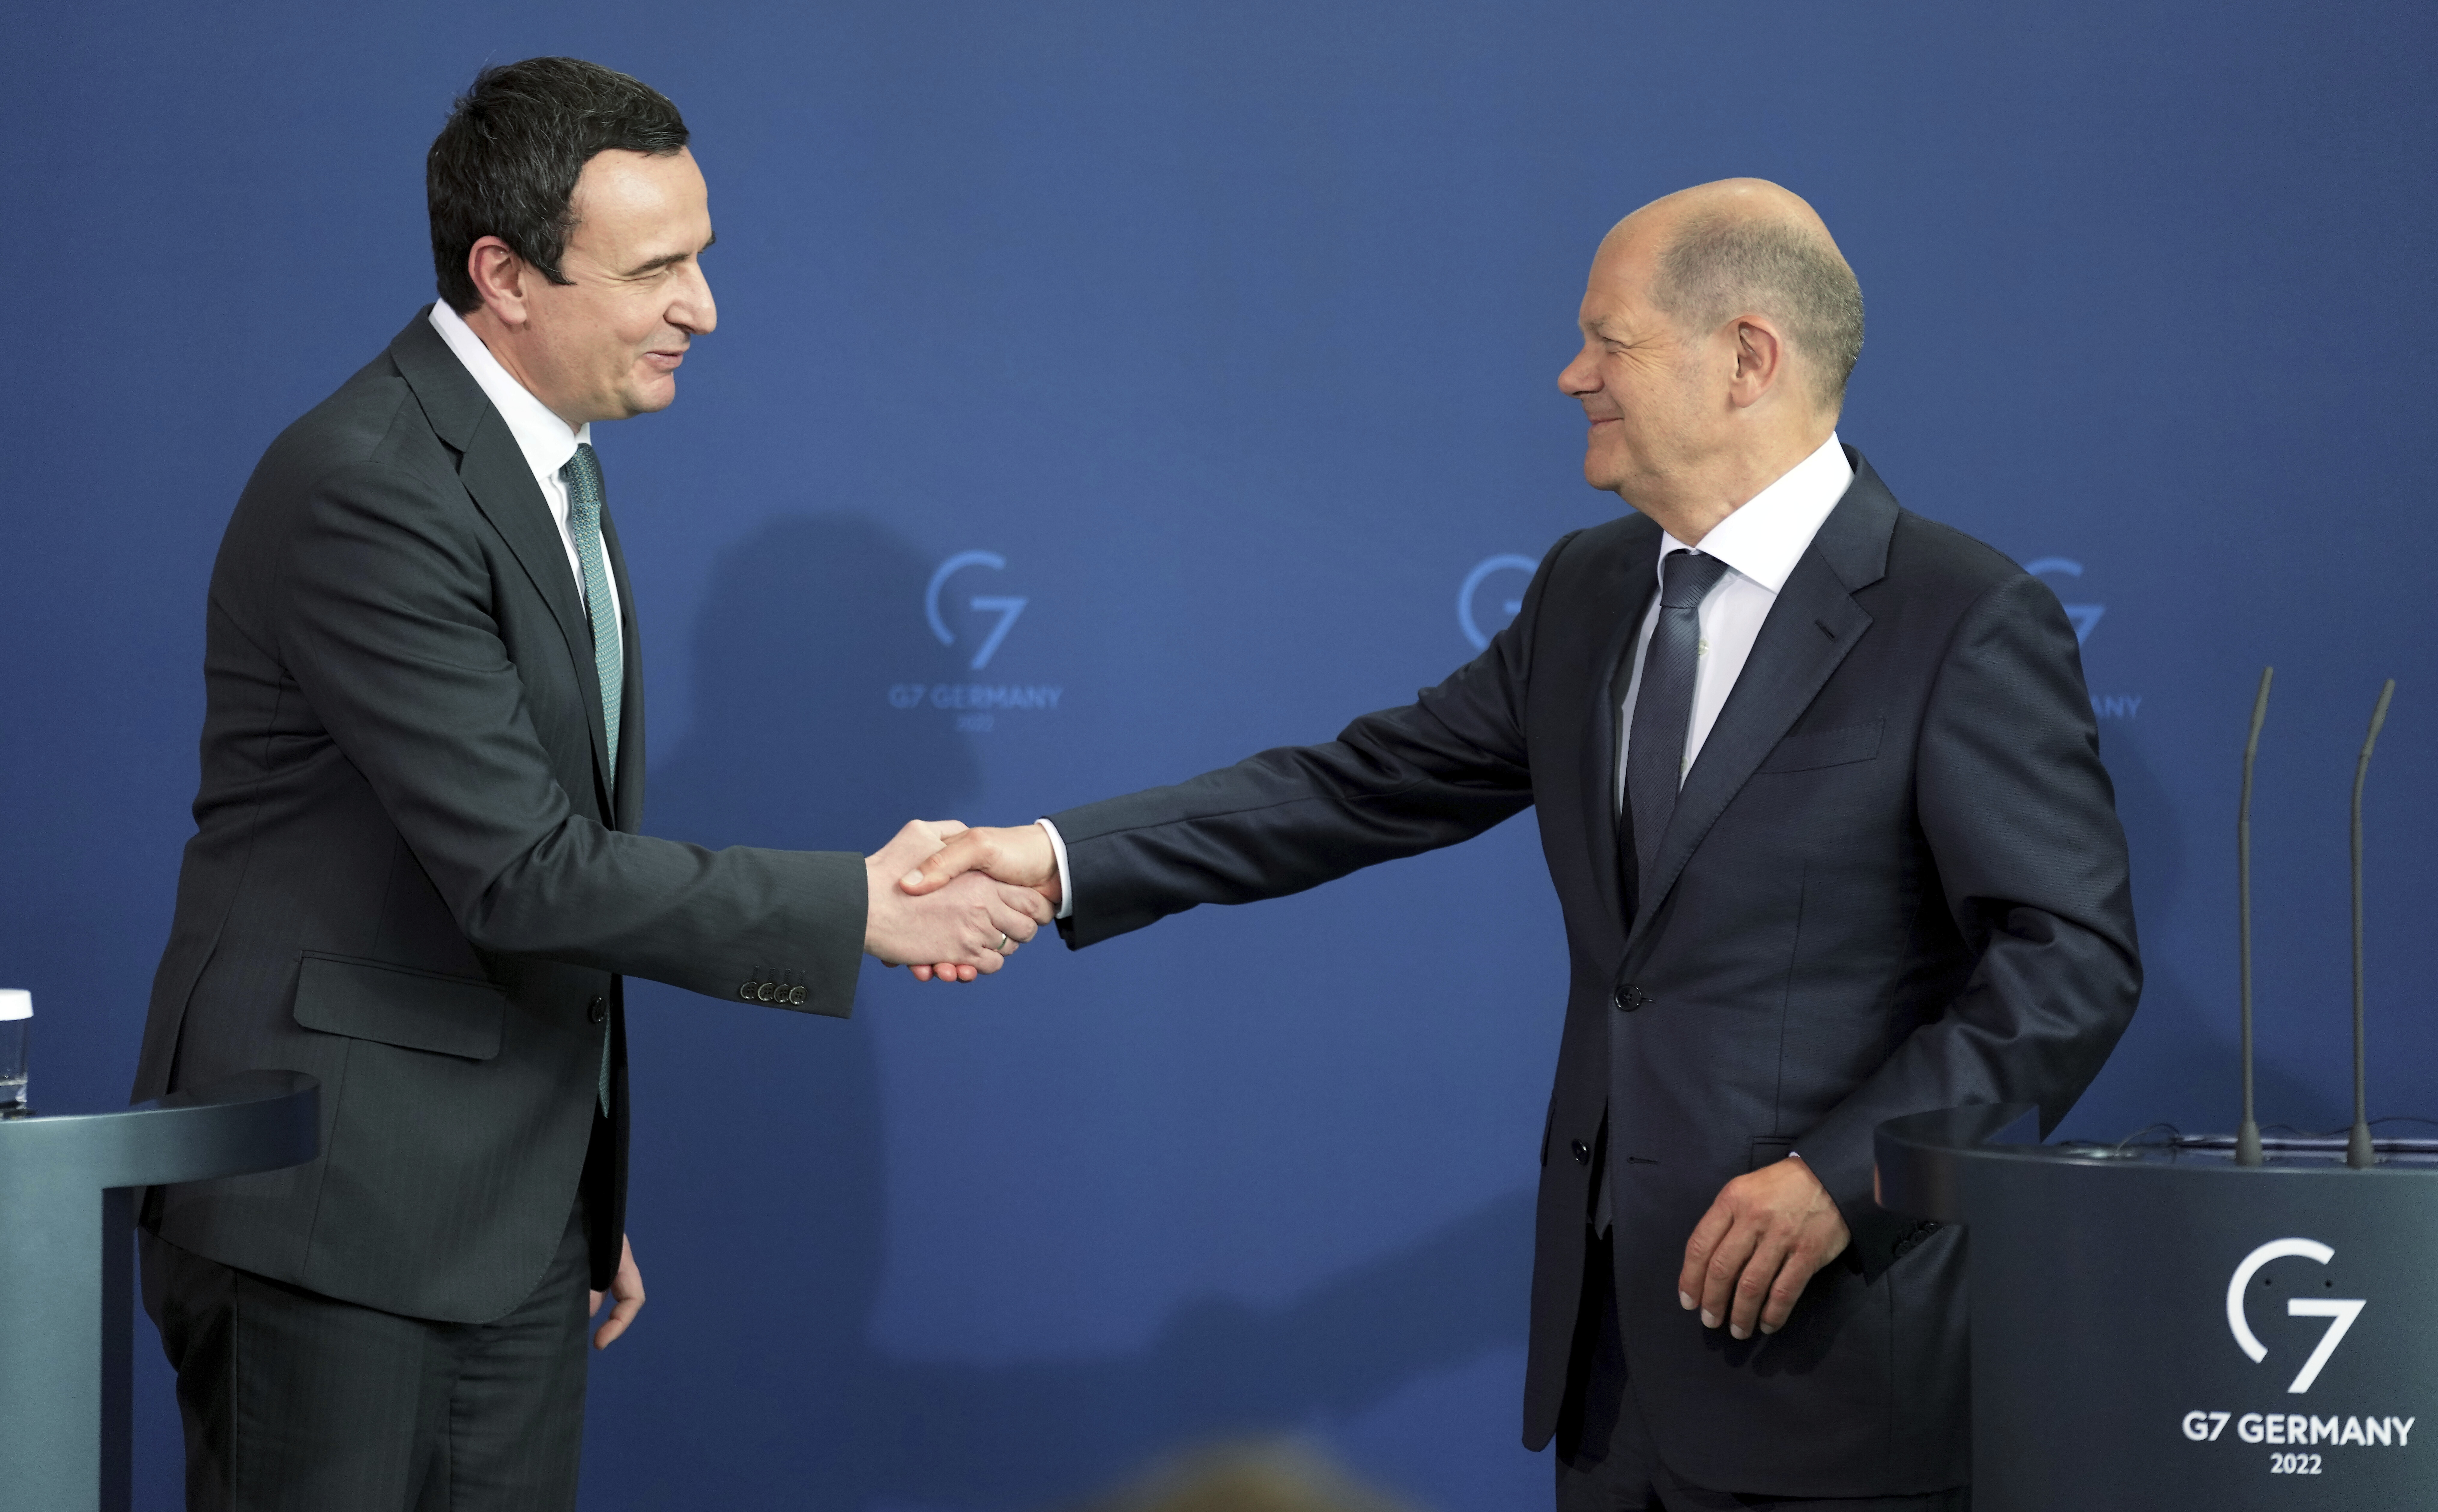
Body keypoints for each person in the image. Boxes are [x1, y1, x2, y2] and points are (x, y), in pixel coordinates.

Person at [903, 179, 2141, 1509]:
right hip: (1608, 1378)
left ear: (1746, 357)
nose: (1569, 377)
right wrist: (1051, 854)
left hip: (1832, 1374)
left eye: (1606, 341)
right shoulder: (1588, 589)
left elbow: (2064, 967)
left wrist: (1849, 1176)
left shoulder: (1958, 615)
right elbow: (1362, 785)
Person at [129, 57, 1049, 1511]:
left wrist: (569, 1196)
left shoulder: (548, 464)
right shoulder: (369, 482)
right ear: (504, 275)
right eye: (657, 269)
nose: (704, 308)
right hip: (334, 1227)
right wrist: (855, 908)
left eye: (702, 257)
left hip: (499, 1225)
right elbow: (524, 871)